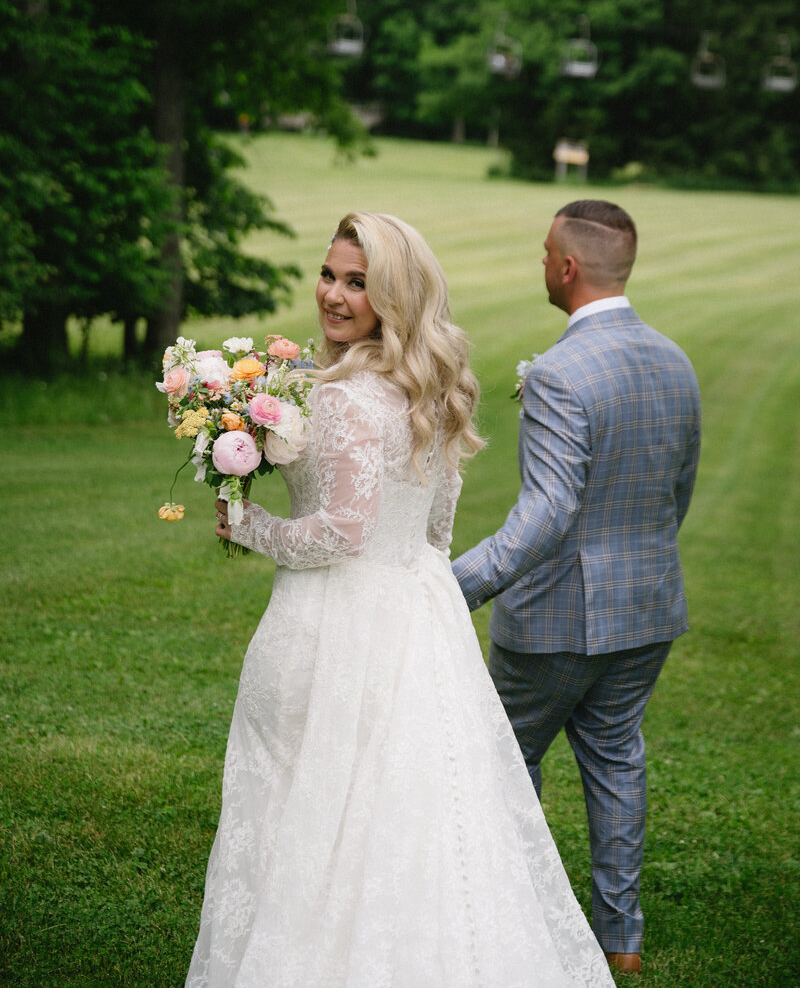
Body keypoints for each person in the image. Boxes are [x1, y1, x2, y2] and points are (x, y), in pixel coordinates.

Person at [186, 212, 615, 988]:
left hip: (336, 620)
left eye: (358, 282)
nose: (334, 294)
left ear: (393, 295)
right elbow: (435, 530)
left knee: (313, 804)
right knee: (418, 812)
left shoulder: (346, 397)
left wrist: (248, 524)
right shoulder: (426, 390)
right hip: (419, 614)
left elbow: (344, 532)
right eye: (329, 274)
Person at [453, 199, 702, 975]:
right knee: (617, 755)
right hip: (648, 603)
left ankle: (523, 918)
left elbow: (549, 511)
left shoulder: (560, 371)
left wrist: (457, 582)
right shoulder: (676, 359)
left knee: (508, 755)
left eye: (543, 253)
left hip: (555, 620)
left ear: (566, 267)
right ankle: (620, 939)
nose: (541, 263)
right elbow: (678, 490)